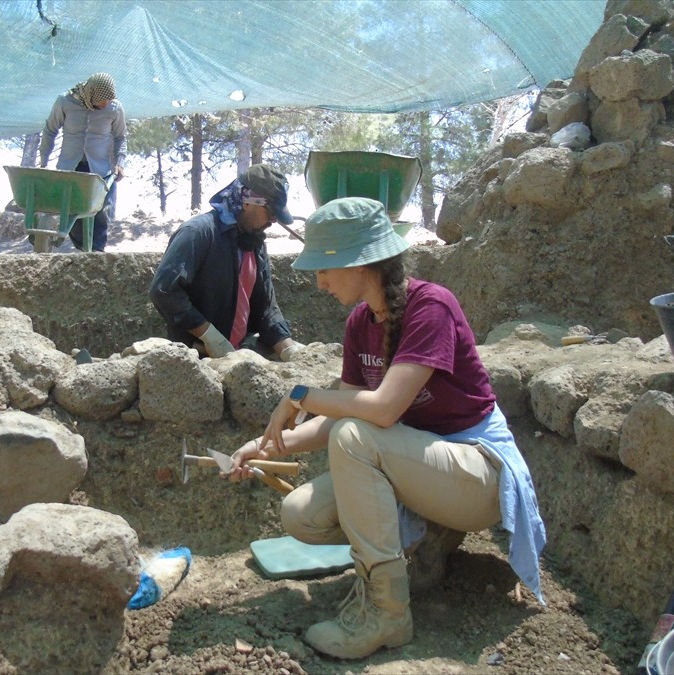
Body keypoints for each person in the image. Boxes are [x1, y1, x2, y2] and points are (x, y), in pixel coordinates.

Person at [227, 197, 547, 659]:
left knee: (354, 438)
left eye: (324, 269)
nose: (319, 282)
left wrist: (298, 395)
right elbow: (343, 413)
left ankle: (386, 612)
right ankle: (430, 542)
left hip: (477, 473)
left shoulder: (430, 306)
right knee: (301, 514)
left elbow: (380, 410)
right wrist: (265, 446)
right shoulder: (361, 321)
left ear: (362, 263)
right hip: (420, 467)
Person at [148, 164, 305, 361]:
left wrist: (288, 348)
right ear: (248, 202)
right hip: (196, 360)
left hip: (238, 357)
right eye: (271, 212)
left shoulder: (255, 243)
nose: (273, 220)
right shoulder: (199, 233)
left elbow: (265, 308)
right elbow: (164, 291)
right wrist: (209, 336)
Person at [39, 72, 127, 252]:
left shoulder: (114, 109)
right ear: (91, 94)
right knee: (73, 211)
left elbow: (120, 137)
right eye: (103, 100)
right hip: (71, 167)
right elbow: (50, 130)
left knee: (101, 211)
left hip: (100, 170)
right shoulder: (65, 102)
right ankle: (82, 250)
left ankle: (97, 253)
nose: (106, 104)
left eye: (109, 100)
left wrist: (120, 162)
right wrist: (43, 161)